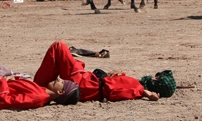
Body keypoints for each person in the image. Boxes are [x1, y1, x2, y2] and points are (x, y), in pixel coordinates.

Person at [33, 41, 174, 103]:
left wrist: (145, 92)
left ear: (156, 80)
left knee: (59, 47)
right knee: (70, 58)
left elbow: (113, 89)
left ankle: (39, 86)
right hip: (88, 83)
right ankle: (44, 87)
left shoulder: (137, 87)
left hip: (85, 82)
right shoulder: (135, 85)